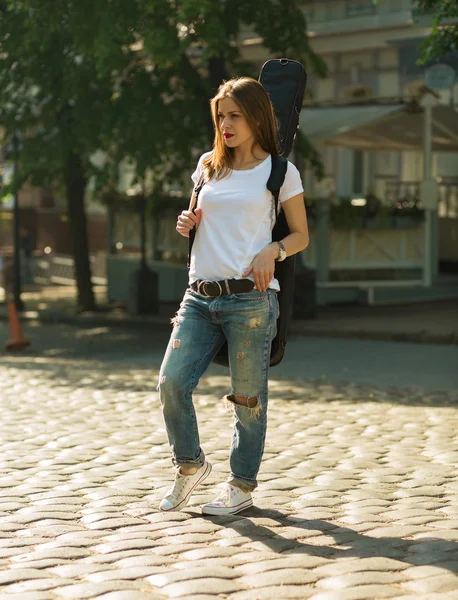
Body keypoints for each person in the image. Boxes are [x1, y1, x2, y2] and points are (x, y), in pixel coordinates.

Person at [157, 77, 309, 516]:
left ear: (257, 117)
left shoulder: (280, 171)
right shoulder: (207, 165)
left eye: (235, 115)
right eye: (221, 116)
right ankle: (190, 466)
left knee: (248, 400)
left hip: (251, 301)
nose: (225, 124)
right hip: (199, 297)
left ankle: (241, 488)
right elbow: (198, 217)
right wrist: (187, 222)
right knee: (171, 384)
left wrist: (273, 249)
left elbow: (300, 235)